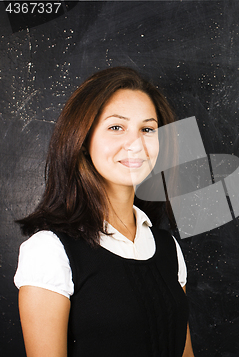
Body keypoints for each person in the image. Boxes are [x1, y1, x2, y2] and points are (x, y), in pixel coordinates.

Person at [14, 67, 195, 357]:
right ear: (83, 140)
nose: (135, 144)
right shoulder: (49, 251)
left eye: (147, 129)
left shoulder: (167, 248)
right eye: (116, 127)